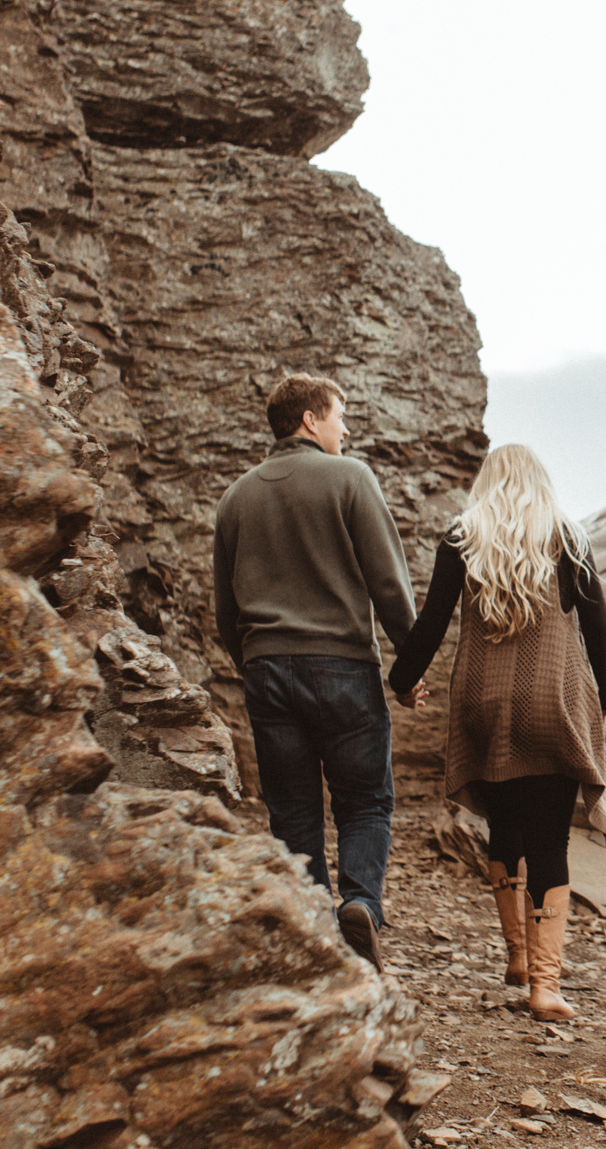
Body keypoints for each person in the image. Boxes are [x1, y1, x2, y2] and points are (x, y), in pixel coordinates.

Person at [389, 443, 606, 1022]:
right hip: (553, 700)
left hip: (483, 702)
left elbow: (433, 620)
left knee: (505, 827)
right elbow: (598, 624)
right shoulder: (567, 537)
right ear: (540, 484)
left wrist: (402, 678)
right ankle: (544, 987)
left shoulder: (462, 538)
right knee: (550, 841)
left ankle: (517, 956)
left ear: (486, 484)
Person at [212, 373, 428, 972]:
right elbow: (389, 585)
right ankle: (360, 903)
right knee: (364, 802)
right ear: (310, 420)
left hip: (266, 671)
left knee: (293, 809)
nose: (346, 428)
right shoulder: (351, 478)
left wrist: (254, 662)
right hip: (342, 667)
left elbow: (225, 609)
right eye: (340, 416)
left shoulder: (236, 498)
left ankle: (311, 931)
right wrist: (408, 670)